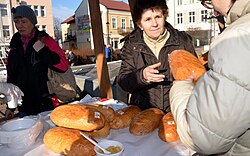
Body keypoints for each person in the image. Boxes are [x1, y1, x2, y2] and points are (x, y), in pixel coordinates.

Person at [169, 0, 250, 155]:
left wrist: (181, 85)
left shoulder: (238, 36)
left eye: (209, 2)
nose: (214, 11)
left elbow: (201, 138)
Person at [117, 0, 196, 112]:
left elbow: (197, 75)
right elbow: (123, 81)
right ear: (140, 24)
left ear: (164, 17)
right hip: (143, 112)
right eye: (148, 19)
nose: (154, 24)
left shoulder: (182, 41)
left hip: (177, 110)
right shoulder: (132, 44)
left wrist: (186, 80)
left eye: (158, 17)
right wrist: (142, 76)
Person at [6, 5, 68, 118]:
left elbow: (63, 66)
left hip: (46, 104)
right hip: (24, 106)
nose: (19, 25)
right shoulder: (14, 47)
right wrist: (10, 106)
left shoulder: (45, 40)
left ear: (32, 22)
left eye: (24, 21)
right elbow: (11, 79)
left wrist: (43, 51)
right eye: (16, 22)